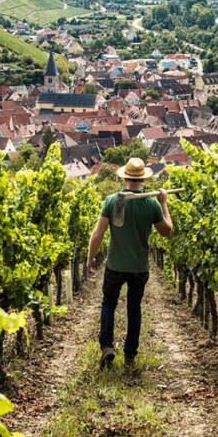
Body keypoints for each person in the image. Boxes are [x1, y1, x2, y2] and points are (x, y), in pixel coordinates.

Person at [85, 157, 172, 369]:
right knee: (134, 308)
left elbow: (97, 234)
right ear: (143, 179)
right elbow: (167, 232)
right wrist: (164, 202)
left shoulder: (113, 201)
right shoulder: (151, 203)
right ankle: (130, 354)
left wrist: (89, 259)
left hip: (115, 265)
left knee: (108, 304)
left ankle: (107, 346)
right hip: (139, 268)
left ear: (125, 177)